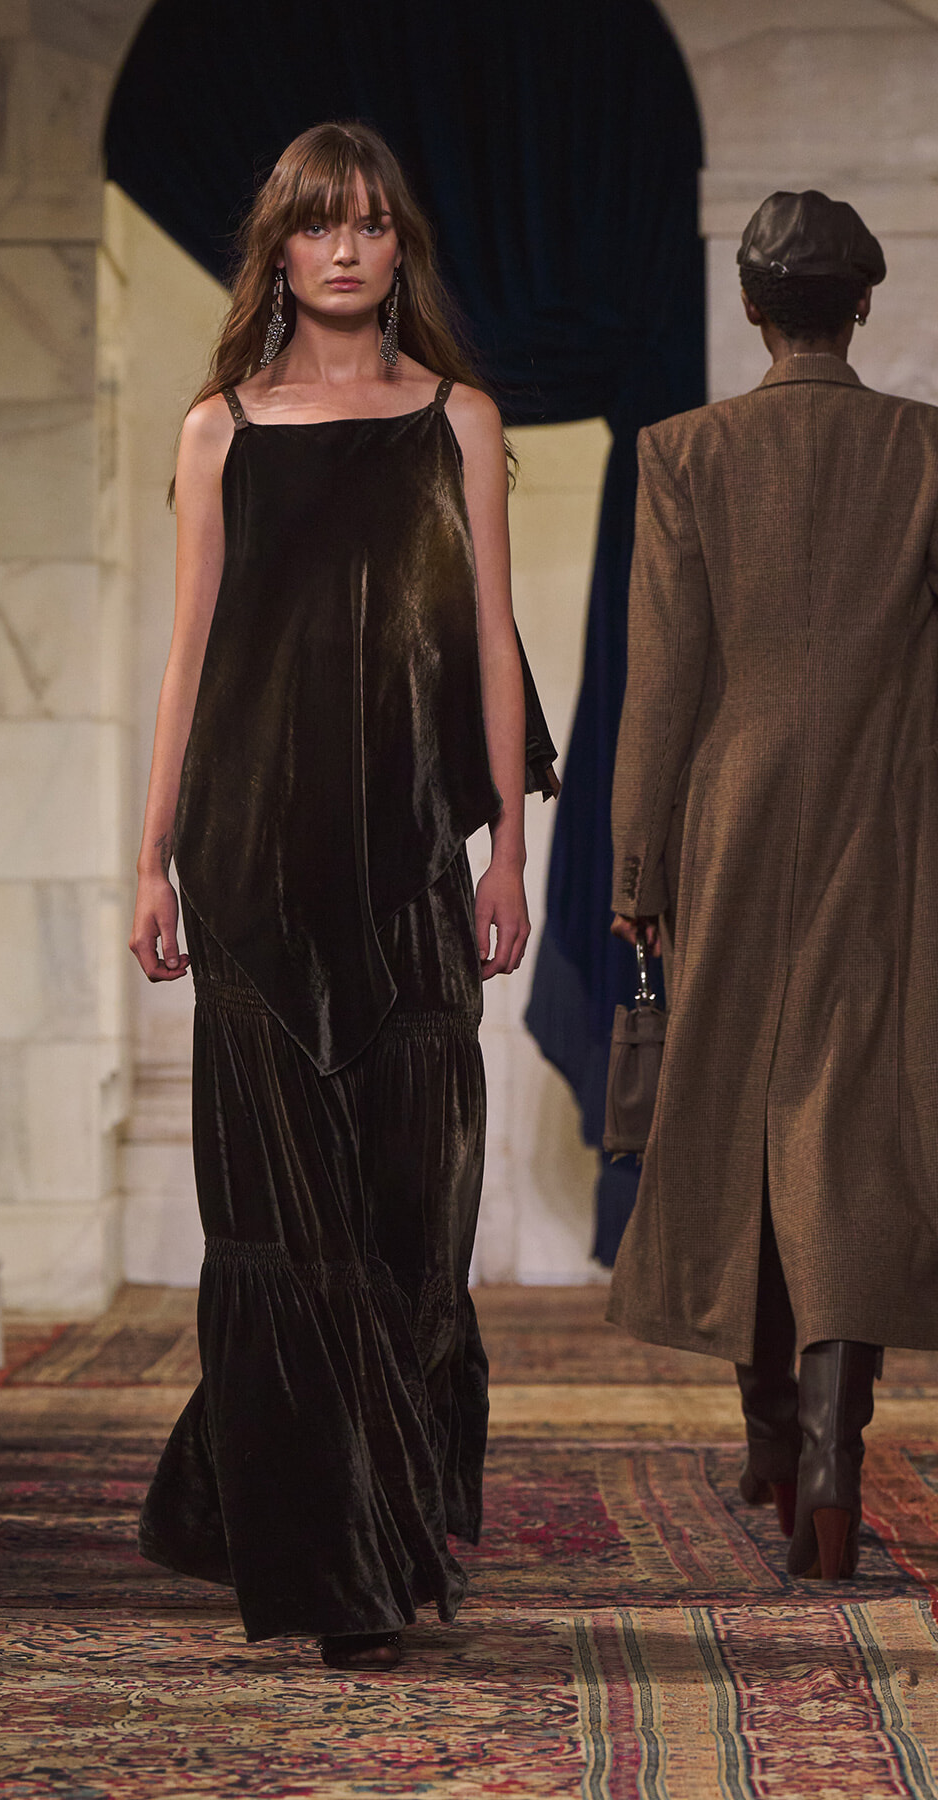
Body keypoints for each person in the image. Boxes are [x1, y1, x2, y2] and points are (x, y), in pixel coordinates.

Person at [128, 121, 557, 1668]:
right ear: (284, 248)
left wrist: (510, 846)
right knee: (276, 1231)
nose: (350, 248)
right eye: (323, 225)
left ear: (398, 249)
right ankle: (331, 1573)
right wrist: (148, 856)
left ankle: (253, 1499)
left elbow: (492, 646)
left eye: (374, 223)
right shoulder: (216, 433)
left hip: (403, 878)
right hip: (246, 866)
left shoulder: (457, 422)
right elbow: (191, 655)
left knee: (406, 1227)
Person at [608, 189, 938, 1580]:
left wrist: (637, 861)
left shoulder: (685, 453)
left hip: (729, 822)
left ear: (751, 307)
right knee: (850, 1123)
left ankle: (766, 1432)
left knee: (738, 1102)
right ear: (862, 305)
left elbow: (665, 681)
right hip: (887, 818)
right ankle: (824, 1456)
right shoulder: (927, 453)